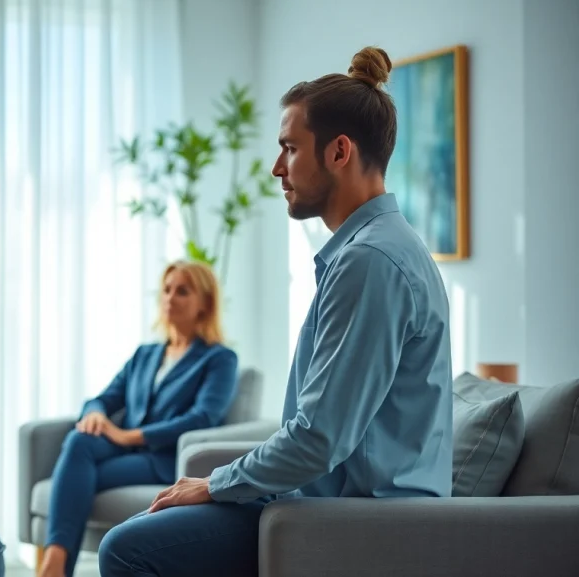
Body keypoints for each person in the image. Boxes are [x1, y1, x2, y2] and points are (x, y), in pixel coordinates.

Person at [98, 46, 454, 576]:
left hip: (353, 522)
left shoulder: (370, 262)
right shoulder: (374, 251)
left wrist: (214, 483)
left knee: (128, 549)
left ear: (338, 152)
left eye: (289, 148)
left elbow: (317, 440)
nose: (275, 168)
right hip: (328, 506)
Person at [38, 260, 239, 577]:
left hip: (162, 457)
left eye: (182, 291)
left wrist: (128, 436)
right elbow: (103, 398)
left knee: (79, 471)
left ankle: (54, 568)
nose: (170, 298)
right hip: (124, 449)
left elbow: (202, 418)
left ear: (205, 303)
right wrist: (94, 414)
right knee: (79, 440)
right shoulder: (145, 355)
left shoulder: (219, 359)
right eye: (167, 289)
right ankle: (55, 563)